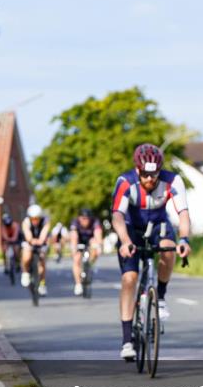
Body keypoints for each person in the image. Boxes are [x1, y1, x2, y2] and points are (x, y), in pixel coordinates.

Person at [111, 143, 191, 360]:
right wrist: (125, 240)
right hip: (131, 229)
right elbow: (117, 216)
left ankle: (161, 297)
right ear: (137, 170)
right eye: (145, 174)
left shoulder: (172, 181)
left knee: (168, 246)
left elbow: (183, 213)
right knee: (130, 278)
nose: (149, 179)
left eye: (153, 174)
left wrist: (184, 239)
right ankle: (127, 340)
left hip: (158, 225)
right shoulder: (126, 182)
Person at [69, 208, 103, 296]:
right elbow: (74, 236)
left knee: (94, 246)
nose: (85, 220)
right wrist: (73, 248)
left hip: (90, 240)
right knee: (76, 259)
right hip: (79, 240)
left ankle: (89, 265)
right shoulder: (75, 222)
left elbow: (98, 234)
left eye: (87, 218)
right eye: (83, 218)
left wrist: (99, 247)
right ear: (79, 218)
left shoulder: (95, 222)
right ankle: (78, 284)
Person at [20, 204, 51, 295]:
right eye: (32, 218)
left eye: (37, 218)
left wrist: (41, 241)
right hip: (30, 241)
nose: (35, 221)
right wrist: (31, 240)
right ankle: (25, 273)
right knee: (26, 257)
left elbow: (44, 233)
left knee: (42, 261)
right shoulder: (26, 222)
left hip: (41, 241)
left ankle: (42, 284)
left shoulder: (45, 221)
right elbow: (27, 234)